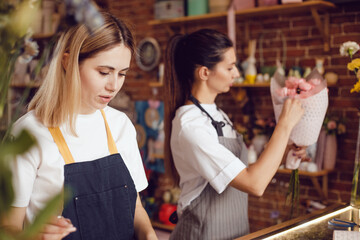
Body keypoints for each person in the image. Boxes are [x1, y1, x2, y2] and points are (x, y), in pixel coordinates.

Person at [1, 11, 157, 240]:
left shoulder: (120, 125)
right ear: (68, 62)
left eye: (122, 74)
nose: (114, 85)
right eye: (104, 72)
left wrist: (149, 234)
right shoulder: (29, 134)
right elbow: (8, 230)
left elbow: (135, 209)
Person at [163, 29, 306, 239]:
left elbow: (240, 171)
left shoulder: (217, 114)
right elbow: (254, 184)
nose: (237, 73)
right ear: (204, 73)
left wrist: (286, 152)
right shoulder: (191, 125)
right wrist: (284, 125)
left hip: (234, 231)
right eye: (230, 67)